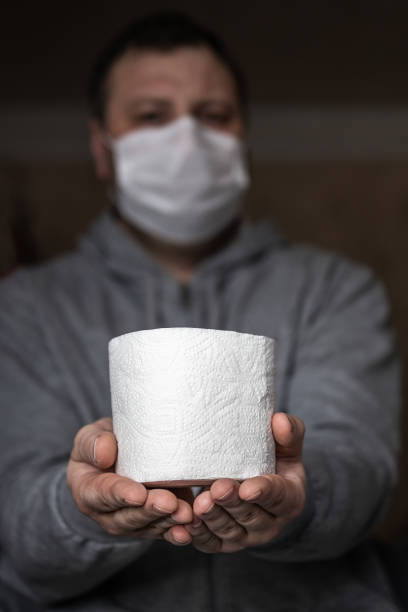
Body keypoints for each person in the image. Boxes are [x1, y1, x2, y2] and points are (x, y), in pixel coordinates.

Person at [0, 11, 402, 612]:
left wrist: (300, 500)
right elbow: (16, 518)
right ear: (102, 149)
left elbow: (364, 466)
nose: (187, 139)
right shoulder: (22, 309)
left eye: (213, 116)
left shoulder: (334, 287)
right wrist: (81, 509)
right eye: (152, 116)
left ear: (241, 139)